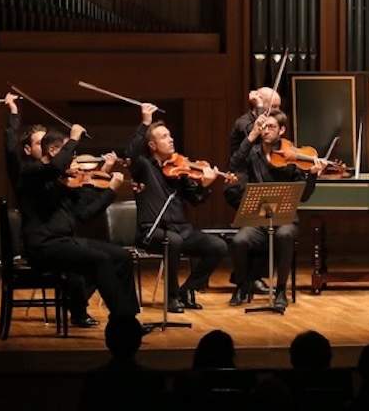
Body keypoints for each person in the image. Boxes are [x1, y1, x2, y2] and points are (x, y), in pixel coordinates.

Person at [18, 125, 140, 323]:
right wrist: (74, 138)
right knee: (100, 260)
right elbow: (55, 167)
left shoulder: (62, 179)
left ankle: (130, 316)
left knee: (122, 256)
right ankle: (122, 320)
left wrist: (109, 185)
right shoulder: (31, 173)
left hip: (65, 241)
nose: (73, 159)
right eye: (70, 153)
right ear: (53, 151)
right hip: (44, 246)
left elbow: (84, 213)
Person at [126, 104, 229, 313]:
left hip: (182, 229)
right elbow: (131, 152)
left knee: (218, 246)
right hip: (151, 231)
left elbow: (195, 200)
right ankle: (171, 297)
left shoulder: (180, 168)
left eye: (170, 135)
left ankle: (186, 289)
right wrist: (145, 122)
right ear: (152, 145)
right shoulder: (143, 167)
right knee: (173, 241)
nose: (171, 139)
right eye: (164, 137)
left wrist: (204, 185)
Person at [226, 110, 326, 309]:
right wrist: (252, 135)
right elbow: (234, 164)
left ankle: (281, 289)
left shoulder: (292, 157)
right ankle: (241, 285)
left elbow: (304, 197)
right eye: (264, 127)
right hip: (258, 219)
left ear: (282, 130)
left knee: (285, 235)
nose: (266, 131)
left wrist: (313, 176)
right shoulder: (252, 153)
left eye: (271, 127)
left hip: (285, 219)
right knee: (239, 241)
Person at [227, 87, 281, 295]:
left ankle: (246, 275)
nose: (277, 111)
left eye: (278, 107)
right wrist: (259, 108)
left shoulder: (269, 122)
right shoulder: (244, 123)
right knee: (262, 223)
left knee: (271, 224)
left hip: (257, 184)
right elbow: (256, 137)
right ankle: (247, 277)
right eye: (273, 107)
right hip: (240, 186)